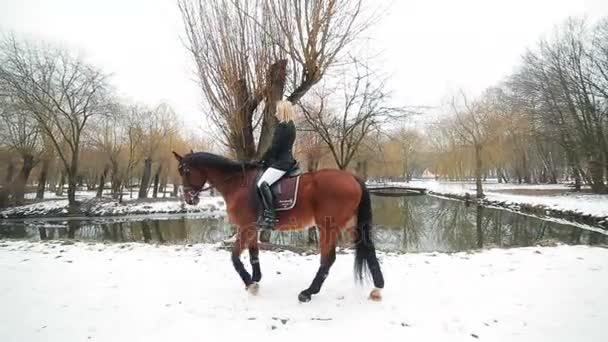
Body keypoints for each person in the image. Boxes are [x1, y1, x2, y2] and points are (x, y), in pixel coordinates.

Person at [256, 100, 297, 230]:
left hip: (282, 163)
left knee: (262, 184)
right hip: (287, 160)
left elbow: (274, 148)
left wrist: (263, 161)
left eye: (278, 111)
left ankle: (271, 217)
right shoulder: (291, 126)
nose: (275, 113)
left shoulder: (282, 126)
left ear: (283, 111)